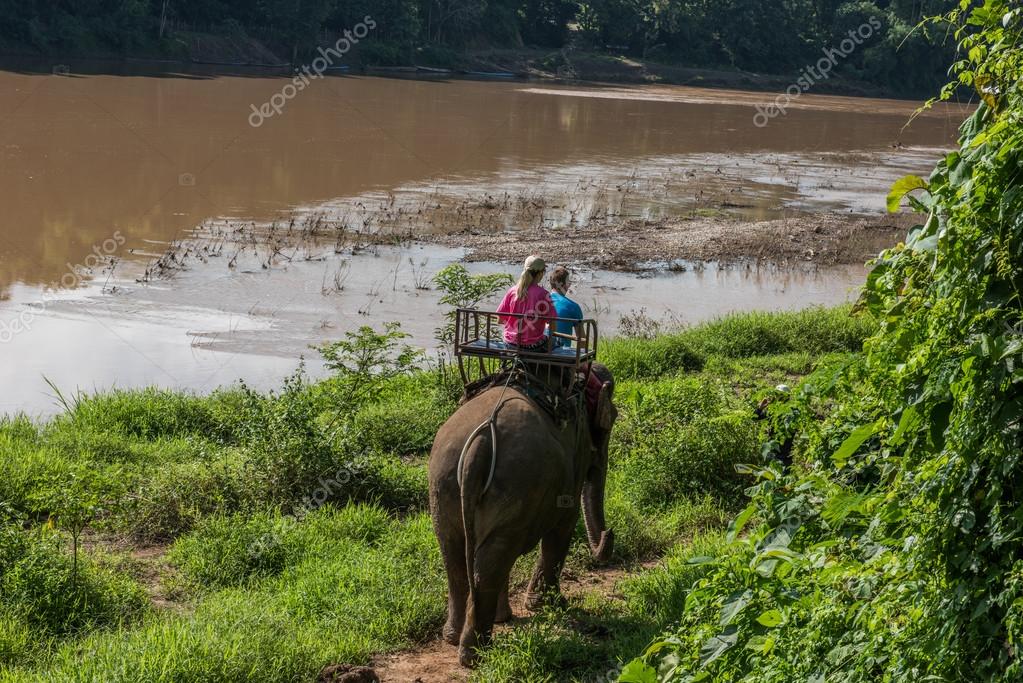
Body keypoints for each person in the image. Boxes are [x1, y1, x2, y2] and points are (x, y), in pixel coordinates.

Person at [496, 255, 555, 351]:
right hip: (533, 346)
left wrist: (514, 327)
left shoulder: (512, 291)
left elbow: (500, 320)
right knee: (557, 341)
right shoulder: (543, 294)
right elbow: (553, 325)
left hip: (510, 343)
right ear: (540, 274)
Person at [548, 266, 583, 347]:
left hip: (541, 350)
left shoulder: (540, 302)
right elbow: (582, 341)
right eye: (568, 283)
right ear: (563, 285)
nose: (569, 286)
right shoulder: (573, 307)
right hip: (562, 354)